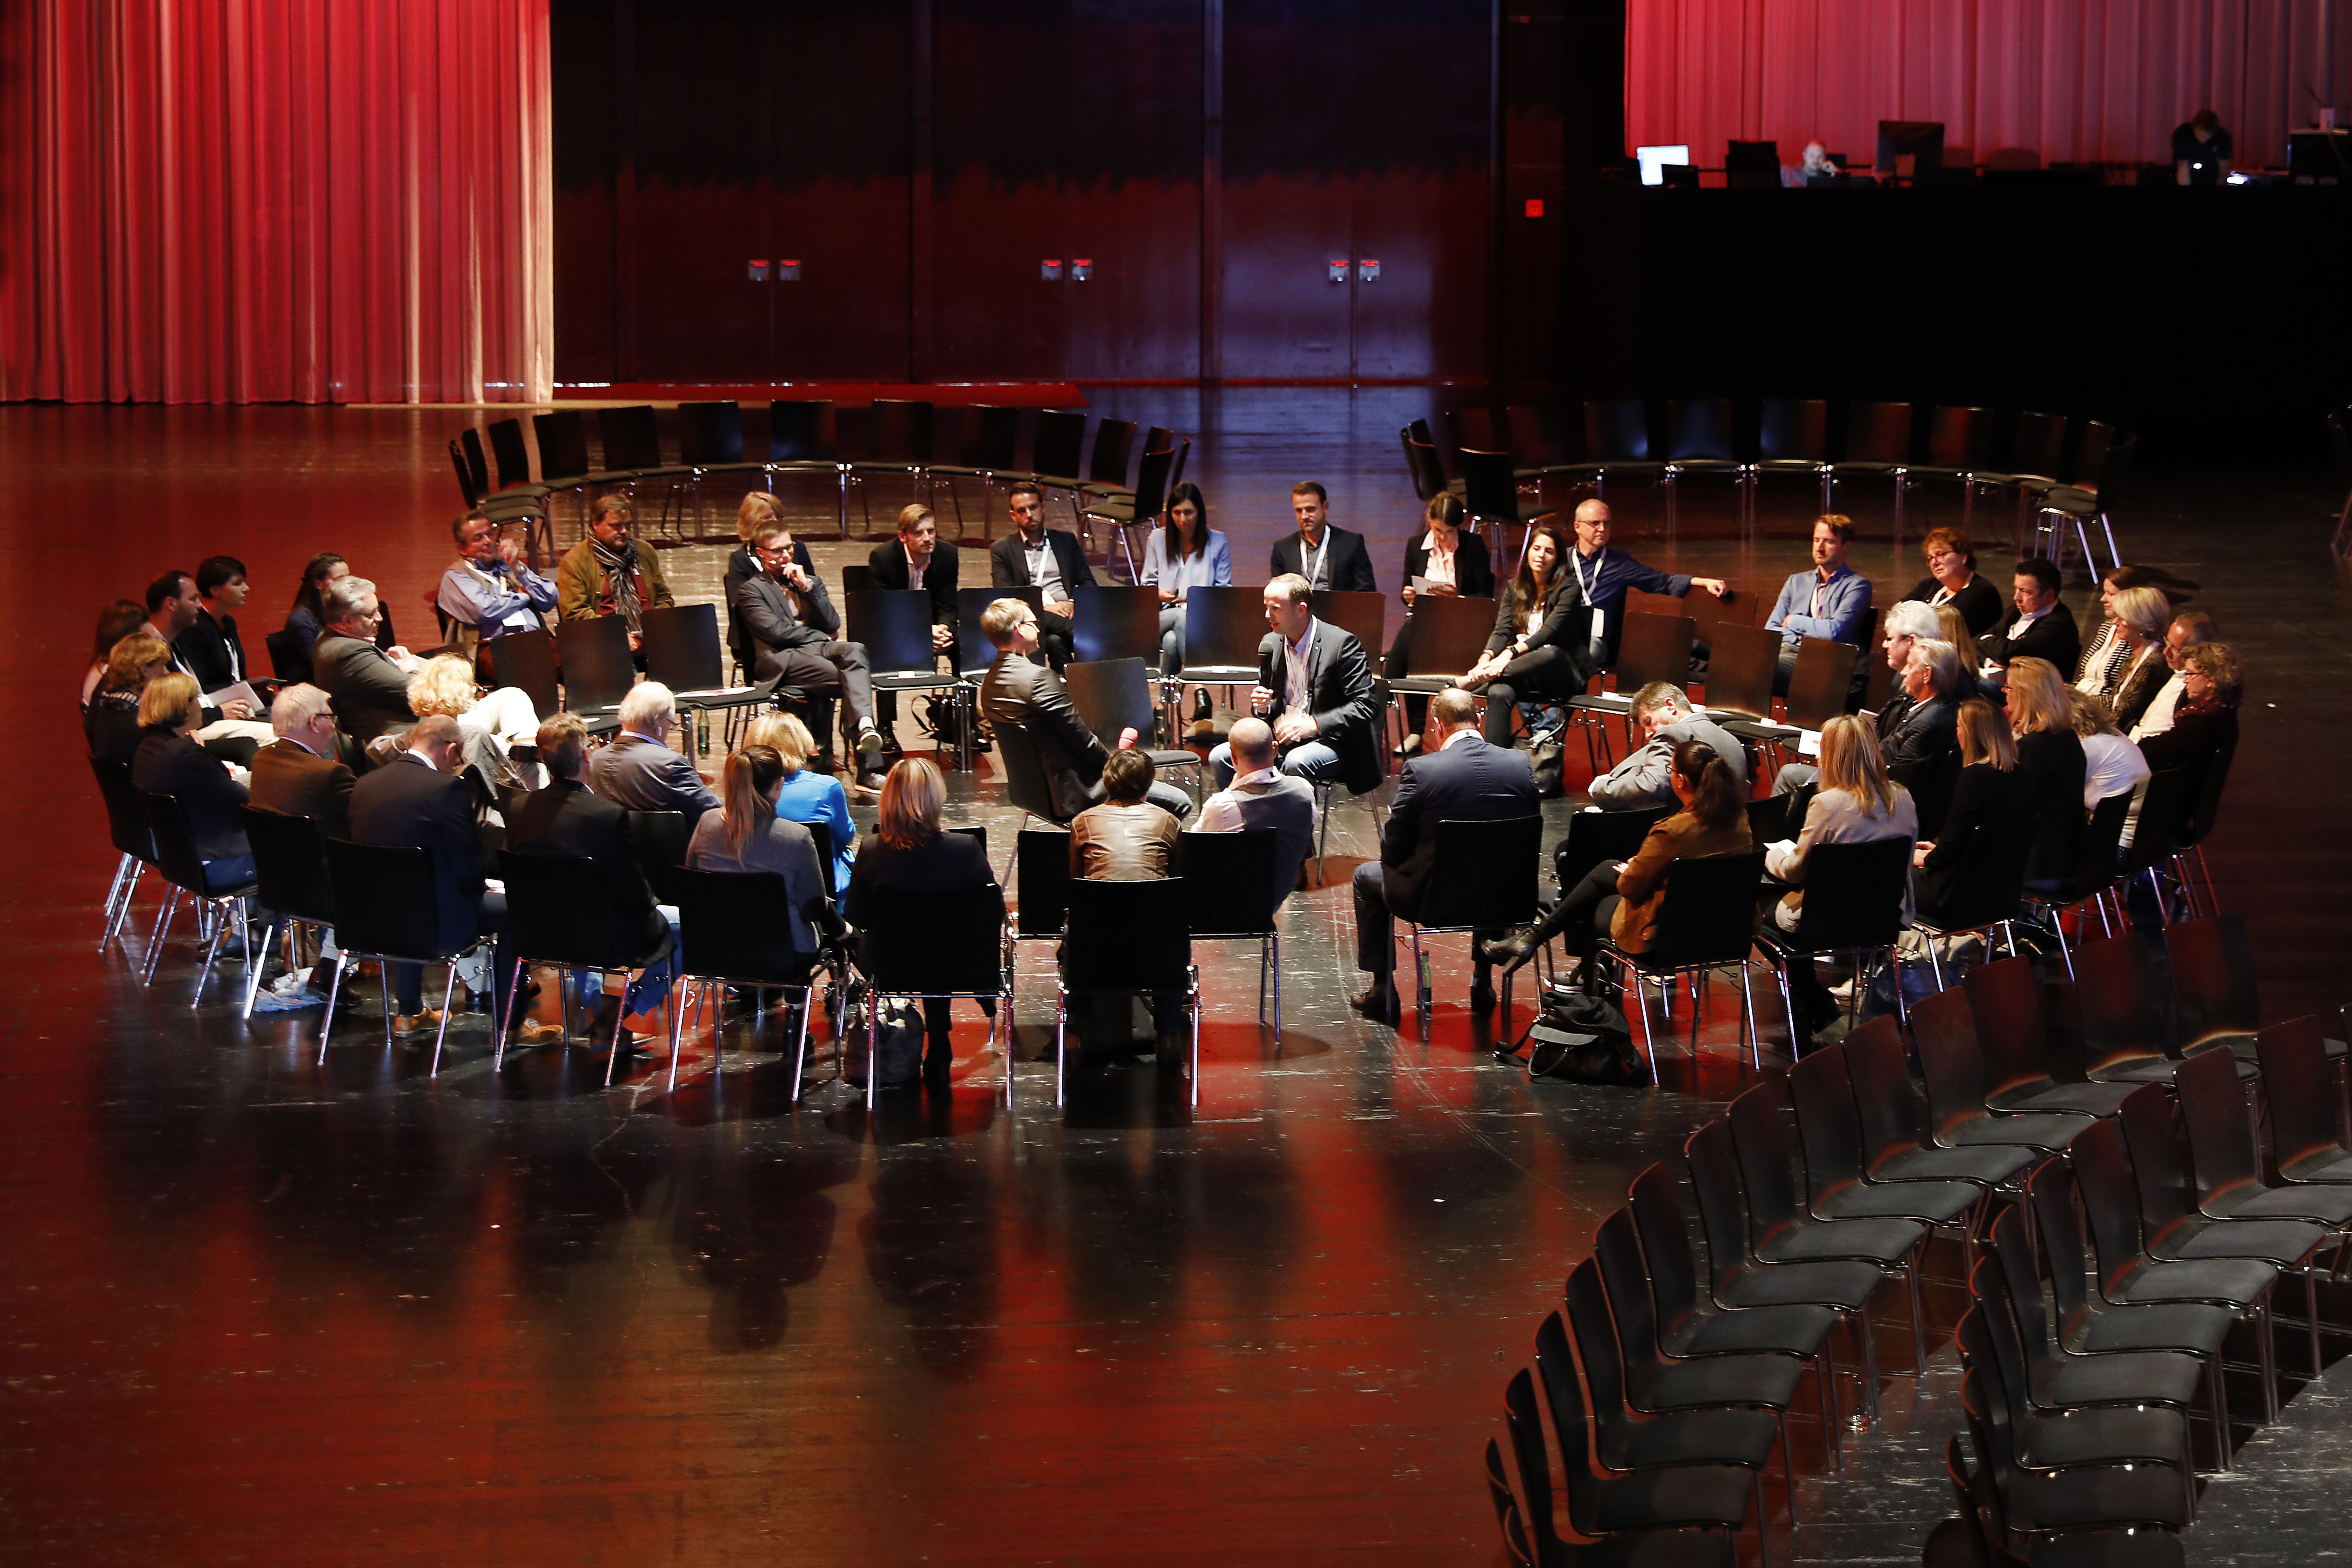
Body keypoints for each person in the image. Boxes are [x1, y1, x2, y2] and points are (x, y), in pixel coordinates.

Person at [349, 715, 555, 1043]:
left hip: (373, 921)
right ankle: (511, 1027)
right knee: (518, 912)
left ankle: (410, 1013)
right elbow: (468, 863)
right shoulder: (446, 789)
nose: (457, 765)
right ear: (451, 749)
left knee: (409, 893)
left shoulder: (365, 784)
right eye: (459, 757)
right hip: (436, 925)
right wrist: (485, 886)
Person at [1350, 688, 1539, 1023]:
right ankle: (1483, 980)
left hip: (1434, 901)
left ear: (1437, 726)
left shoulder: (1423, 770)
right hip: (1506, 898)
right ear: (1479, 719)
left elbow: (1393, 845)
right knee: (1492, 864)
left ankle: (1382, 988)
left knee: (1366, 876)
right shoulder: (1519, 763)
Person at [507, 713, 677, 1048]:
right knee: (688, 926)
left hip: (537, 932)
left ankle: (598, 1008)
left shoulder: (518, 808)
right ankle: (619, 1012)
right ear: (587, 756)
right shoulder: (606, 815)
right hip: (598, 937)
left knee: (580, 906)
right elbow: (635, 895)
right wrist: (655, 904)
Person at [1517, 739, 1751, 981]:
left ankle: (1582, 973)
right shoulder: (1741, 820)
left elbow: (1629, 888)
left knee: (1596, 902)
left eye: (1670, 770)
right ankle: (1552, 950)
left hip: (1667, 935)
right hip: (1726, 930)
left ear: (1681, 780)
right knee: (1607, 870)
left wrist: (1633, 870)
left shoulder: (1671, 832)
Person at [842, 757, 996, 1087]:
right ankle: (939, 1038)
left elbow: (857, 916)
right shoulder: (966, 849)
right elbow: (991, 913)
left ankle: (922, 1034)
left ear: (889, 799)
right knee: (938, 946)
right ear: (936, 799)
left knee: (911, 945)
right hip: (960, 965)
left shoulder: (872, 850)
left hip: (890, 966)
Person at [1765, 716, 1917, 1048]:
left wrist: (1770, 855)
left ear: (1832, 755)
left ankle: (1812, 1003)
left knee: (1759, 913)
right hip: (1884, 919)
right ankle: (1815, 1004)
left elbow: (1794, 871)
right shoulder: (1903, 798)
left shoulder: (1828, 804)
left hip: (1827, 922)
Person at [975, 597, 1193, 820]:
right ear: (1020, 629)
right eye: (1033, 623)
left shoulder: (990, 682)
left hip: (1034, 794)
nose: (1039, 629)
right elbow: (1083, 742)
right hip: (1078, 792)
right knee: (1180, 802)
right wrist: (1118, 770)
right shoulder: (1038, 679)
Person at [728, 519, 885, 779]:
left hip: (817, 652)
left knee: (856, 650)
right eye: (778, 550)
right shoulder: (751, 591)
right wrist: (820, 636)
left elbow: (833, 623)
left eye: (789, 547)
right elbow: (777, 633)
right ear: (761, 553)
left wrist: (806, 588)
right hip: (783, 659)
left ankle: (866, 728)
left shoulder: (810, 583)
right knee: (852, 680)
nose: (786, 554)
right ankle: (868, 769)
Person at [1208, 574, 1381, 796]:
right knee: (1221, 757)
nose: (1267, 615)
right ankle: (1246, 816)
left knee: (1297, 761)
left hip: (1332, 739)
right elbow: (1271, 705)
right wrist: (1263, 709)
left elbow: (1366, 705)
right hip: (1283, 737)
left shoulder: (1341, 645)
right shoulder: (1271, 642)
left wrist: (1313, 724)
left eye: (1275, 608)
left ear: (1301, 609)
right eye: (1266, 607)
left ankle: (1292, 819)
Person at [1455, 522, 1591, 747]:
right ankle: (1493, 761)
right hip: (1520, 670)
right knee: (1499, 692)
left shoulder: (1569, 588)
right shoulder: (1515, 588)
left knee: (1550, 653)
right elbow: (1502, 629)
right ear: (1528, 552)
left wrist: (1509, 653)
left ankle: (1476, 680)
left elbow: (1550, 632)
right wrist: (1486, 658)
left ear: (1557, 558)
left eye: (1549, 551)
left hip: (1560, 671)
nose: (1541, 555)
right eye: (1536, 549)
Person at [686, 742, 826, 959]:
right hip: (784, 953)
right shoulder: (797, 838)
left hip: (715, 947)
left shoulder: (707, 822)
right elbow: (814, 908)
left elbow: (692, 878)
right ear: (779, 785)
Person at [1562, 499, 1728, 672]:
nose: (1603, 529)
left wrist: (1703, 581)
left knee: (1585, 653)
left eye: (1607, 523)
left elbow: (1662, 581)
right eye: (1595, 523)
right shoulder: (1561, 561)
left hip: (1595, 640)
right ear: (1577, 527)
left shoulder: (1620, 564)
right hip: (1561, 631)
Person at [1912, 699, 2034, 927]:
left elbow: (1953, 846)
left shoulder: (1976, 777)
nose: (1957, 733)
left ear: (1971, 734)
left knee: (1883, 873)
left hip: (1953, 896)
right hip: (2000, 894)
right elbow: (1976, 843)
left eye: (1959, 727)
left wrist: (1925, 858)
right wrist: (1939, 850)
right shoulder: (2020, 774)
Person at [1388, 493, 1495, 750]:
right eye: (1437, 530)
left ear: (1459, 527)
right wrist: (1409, 595)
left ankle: (1455, 731)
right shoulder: (1416, 545)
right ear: (1430, 523)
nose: (1442, 537)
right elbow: (1407, 590)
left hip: (1462, 623)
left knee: (1415, 639)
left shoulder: (1473, 545)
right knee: (1406, 654)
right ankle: (1415, 732)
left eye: (1449, 531)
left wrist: (1457, 598)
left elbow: (1485, 594)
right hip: (1426, 620)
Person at [131, 672, 254, 890]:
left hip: (179, 858)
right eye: (196, 700)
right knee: (304, 843)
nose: (201, 707)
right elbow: (244, 801)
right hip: (220, 862)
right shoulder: (186, 755)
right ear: (185, 708)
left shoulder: (147, 748)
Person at [1191, 716, 1316, 908]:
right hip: (1276, 899)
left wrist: (1230, 791)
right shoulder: (1305, 790)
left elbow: (1194, 852)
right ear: (1275, 749)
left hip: (1229, 906)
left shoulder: (1223, 805)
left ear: (1233, 758)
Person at [866, 503, 960, 737]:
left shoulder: (947, 555)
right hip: (895, 628)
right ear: (903, 536)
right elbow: (886, 612)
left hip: (935, 627)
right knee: (885, 649)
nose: (927, 538)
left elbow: (948, 603)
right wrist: (924, 633)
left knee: (964, 645)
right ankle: (886, 728)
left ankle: (965, 721)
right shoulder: (883, 557)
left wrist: (944, 629)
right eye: (919, 533)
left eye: (931, 531)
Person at [742, 712, 855, 895]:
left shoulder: (742, 789)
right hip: (822, 892)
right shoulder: (827, 787)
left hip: (758, 892)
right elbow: (847, 835)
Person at [1589, 682, 1747, 810]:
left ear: (1670, 705)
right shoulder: (1731, 739)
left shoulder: (1673, 733)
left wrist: (1600, 787)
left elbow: (1650, 786)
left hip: (1689, 831)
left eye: (1649, 722)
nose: (1647, 734)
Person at [988, 482, 1094, 670]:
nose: (1029, 515)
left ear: (1043, 507)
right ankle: (1082, 637)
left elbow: (1088, 582)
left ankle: (1069, 685)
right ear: (1013, 515)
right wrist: (1047, 609)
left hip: (1070, 613)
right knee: (1043, 623)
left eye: (1033, 508)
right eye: (1022, 511)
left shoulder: (1066, 541)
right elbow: (1007, 597)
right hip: (1033, 616)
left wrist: (1073, 604)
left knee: (1054, 641)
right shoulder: (1002, 549)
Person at [1137, 481, 1232, 691]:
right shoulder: (1158, 539)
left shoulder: (1218, 541)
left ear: (1199, 512)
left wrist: (1198, 599)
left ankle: (1165, 705)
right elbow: (1146, 587)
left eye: (1189, 513)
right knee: (1180, 616)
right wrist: (1160, 595)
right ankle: (1199, 684)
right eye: (1177, 513)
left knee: (1172, 642)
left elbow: (1224, 591)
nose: (1183, 519)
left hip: (1201, 619)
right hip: (1162, 616)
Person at [586, 682, 722, 827]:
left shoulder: (594, 760)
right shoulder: (670, 764)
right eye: (671, 724)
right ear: (660, 726)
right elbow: (715, 813)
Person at [1764, 514, 1873, 695]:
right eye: (1816, 540)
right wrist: (1800, 639)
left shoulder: (1857, 586)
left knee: (1759, 668)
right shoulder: (1796, 581)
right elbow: (1771, 629)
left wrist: (1794, 622)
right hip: (1790, 653)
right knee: (1744, 661)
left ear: (1847, 547)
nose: (1819, 548)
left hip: (1828, 662)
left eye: (1829, 542)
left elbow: (1834, 632)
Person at [312, 574, 423, 747]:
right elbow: (415, 690)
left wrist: (387, 661)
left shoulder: (328, 638)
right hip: (392, 739)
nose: (380, 618)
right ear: (348, 620)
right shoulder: (348, 653)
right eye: (371, 614)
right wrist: (412, 669)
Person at [406, 654, 544, 790]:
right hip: (460, 738)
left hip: (460, 723)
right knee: (529, 763)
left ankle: (526, 742)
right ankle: (531, 753)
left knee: (512, 694)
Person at [2006, 656, 2085, 886]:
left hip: (2038, 865)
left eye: (2009, 688)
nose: (2005, 694)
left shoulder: (2034, 747)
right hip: (2069, 857)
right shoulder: (2068, 737)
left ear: (2026, 695)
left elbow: (2013, 810)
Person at [556, 492, 673, 646]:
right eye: (616, 526)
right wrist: (617, 636)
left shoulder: (644, 551)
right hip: (603, 644)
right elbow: (575, 614)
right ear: (596, 525)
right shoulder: (574, 562)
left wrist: (655, 626)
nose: (624, 531)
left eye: (628, 525)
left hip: (651, 638)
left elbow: (664, 598)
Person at [248, 683, 356, 840]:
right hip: (329, 854)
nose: (334, 726)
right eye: (330, 717)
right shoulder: (331, 773)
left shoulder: (261, 759)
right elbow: (369, 815)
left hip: (274, 853)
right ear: (314, 722)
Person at [722, 491, 817, 668]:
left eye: (777, 516)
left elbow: (815, 590)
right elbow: (740, 605)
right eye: (767, 517)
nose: (774, 521)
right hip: (758, 634)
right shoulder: (740, 559)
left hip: (800, 628)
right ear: (750, 521)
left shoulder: (798, 549)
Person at [437, 513, 557, 652]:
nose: (488, 541)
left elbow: (550, 599)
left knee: (570, 653)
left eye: (490, 534)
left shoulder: (508, 566)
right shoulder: (456, 576)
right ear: (463, 549)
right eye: (479, 538)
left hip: (536, 642)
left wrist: (519, 569)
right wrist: (525, 597)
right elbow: (485, 610)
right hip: (492, 651)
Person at [286, 553, 404, 682]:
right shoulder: (301, 621)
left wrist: (384, 659)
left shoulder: (354, 611)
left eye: (348, 577)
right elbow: (321, 667)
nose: (346, 583)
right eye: (339, 579)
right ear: (319, 584)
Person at [1071, 748, 1182, 881]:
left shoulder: (1082, 821)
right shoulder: (1170, 821)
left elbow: (1076, 880)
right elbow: (1178, 878)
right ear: (1149, 783)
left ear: (1107, 781)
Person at [1976, 557, 2079, 687]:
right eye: (2016, 589)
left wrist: (1987, 641)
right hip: (1998, 680)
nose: (2016, 598)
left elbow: (2008, 653)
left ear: (2049, 595)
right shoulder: (2015, 612)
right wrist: (1989, 662)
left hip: (2030, 691)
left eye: (2025, 592)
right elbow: (1975, 643)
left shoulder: (2059, 625)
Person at [173, 556, 261, 697]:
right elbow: (201, 684)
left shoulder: (229, 623)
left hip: (237, 699)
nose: (246, 589)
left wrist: (256, 690)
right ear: (215, 590)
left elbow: (238, 675)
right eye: (238, 584)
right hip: (215, 703)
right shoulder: (195, 627)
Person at [2077, 583, 2170, 714]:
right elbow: (2115, 701)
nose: (2115, 623)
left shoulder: (2154, 665)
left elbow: (2125, 714)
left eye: (2122, 618)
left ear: (2141, 623)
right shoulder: (2133, 658)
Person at [1269, 480, 1377, 593]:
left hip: (1337, 605)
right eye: (1299, 511)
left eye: (1310, 509)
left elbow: (1366, 593)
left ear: (1325, 507)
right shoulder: (1283, 548)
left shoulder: (1351, 543)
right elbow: (1277, 593)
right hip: (1299, 605)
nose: (1304, 516)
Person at [2125, 609, 2218, 739]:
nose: (2165, 651)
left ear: (2197, 651)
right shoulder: (2172, 673)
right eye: (2167, 642)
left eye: (2175, 648)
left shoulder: (2194, 691)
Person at [85, 635, 172, 765]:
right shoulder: (139, 723)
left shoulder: (109, 704)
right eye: (163, 666)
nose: (167, 673)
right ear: (144, 670)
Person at [1900, 529, 2003, 638]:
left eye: (1941, 555)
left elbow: (1944, 626)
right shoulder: (1931, 585)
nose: (1934, 563)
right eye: (1930, 558)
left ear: (1963, 557)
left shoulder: (1981, 591)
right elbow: (1899, 613)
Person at [2072, 692, 2150, 813]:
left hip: (2118, 822)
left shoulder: (2087, 745)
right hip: (2144, 814)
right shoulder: (2111, 733)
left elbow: (2064, 793)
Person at [83, 599, 148, 707]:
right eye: (144, 637)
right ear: (127, 639)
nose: (149, 643)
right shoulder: (111, 677)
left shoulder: (104, 669)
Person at [2173, 109, 2232, 186]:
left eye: (2207, 136)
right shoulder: (2182, 134)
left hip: (2211, 174)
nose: (2203, 139)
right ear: (2194, 128)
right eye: (2200, 135)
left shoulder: (2223, 137)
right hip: (2188, 174)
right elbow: (2183, 169)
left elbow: (2224, 171)